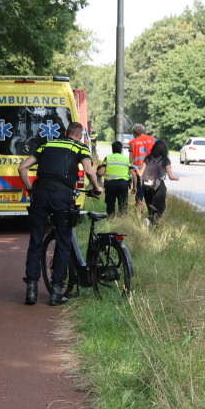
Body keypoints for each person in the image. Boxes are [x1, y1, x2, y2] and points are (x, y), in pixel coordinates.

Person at [19, 121, 101, 306]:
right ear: (80, 135)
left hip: (40, 194)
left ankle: (31, 290)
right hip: (61, 197)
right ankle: (56, 292)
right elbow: (88, 170)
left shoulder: (48, 144)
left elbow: (22, 168)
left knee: (36, 240)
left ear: (65, 133)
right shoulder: (80, 147)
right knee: (64, 241)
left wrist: (31, 189)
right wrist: (97, 187)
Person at [138, 137, 180, 225]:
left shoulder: (147, 158)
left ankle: (150, 224)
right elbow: (171, 177)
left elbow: (140, 174)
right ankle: (150, 222)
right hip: (158, 187)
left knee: (151, 207)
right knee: (160, 208)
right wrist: (176, 178)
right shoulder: (165, 160)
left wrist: (135, 169)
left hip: (146, 186)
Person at [128, 123, 157, 204]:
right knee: (151, 191)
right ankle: (152, 210)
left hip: (138, 172)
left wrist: (130, 171)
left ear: (134, 133)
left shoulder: (132, 142)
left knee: (139, 193)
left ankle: (139, 210)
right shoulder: (152, 139)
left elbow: (130, 160)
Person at [102, 139, 131, 216]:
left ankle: (111, 219)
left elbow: (101, 172)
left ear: (112, 149)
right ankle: (122, 220)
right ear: (121, 149)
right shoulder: (126, 159)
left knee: (110, 203)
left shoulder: (107, 158)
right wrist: (135, 187)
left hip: (110, 184)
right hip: (123, 184)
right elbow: (133, 173)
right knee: (123, 204)